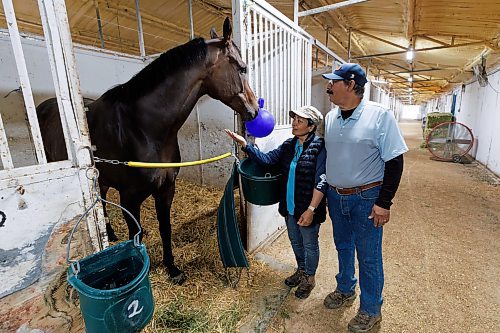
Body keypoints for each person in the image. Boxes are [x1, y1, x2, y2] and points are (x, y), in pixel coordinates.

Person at [322, 63, 408, 332]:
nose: (328, 86)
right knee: (343, 246)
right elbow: (330, 157)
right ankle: (345, 288)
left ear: (350, 84)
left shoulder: (380, 116)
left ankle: (371, 309)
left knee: (369, 256)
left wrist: (384, 202)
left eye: (334, 82)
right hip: (336, 197)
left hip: (366, 198)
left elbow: (395, 161)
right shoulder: (330, 118)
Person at [225, 106, 327, 299]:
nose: (294, 123)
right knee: (296, 241)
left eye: (299, 120)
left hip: (308, 208)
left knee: (310, 245)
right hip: (290, 207)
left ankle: (309, 279)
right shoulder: (289, 145)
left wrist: (311, 209)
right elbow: (267, 160)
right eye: (294, 119)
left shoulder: (320, 148)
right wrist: (245, 145)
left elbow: (321, 180)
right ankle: (301, 270)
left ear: (311, 126)